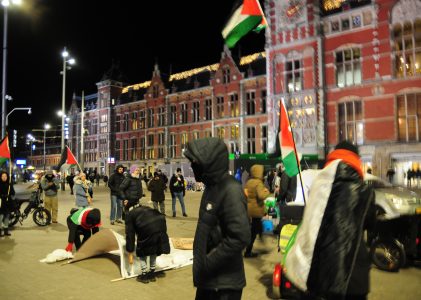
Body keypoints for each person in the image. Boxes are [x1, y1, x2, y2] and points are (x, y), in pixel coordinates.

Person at [285, 141, 376, 300]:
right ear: (355, 160)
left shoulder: (318, 184)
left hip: (319, 271)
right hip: (353, 275)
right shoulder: (364, 191)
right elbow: (370, 224)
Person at [183, 137, 251, 300]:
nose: (191, 166)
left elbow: (240, 236)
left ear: (209, 163)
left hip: (223, 286)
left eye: (195, 162)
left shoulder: (230, 189)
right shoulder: (212, 187)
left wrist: (208, 263)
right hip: (210, 281)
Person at [125, 204, 170, 284]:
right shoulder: (145, 208)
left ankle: (144, 275)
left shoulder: (129, 214)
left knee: (142, 251)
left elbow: (130, 234)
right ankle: (152, 273)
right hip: (160, 222)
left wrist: (130, 249)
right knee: (154, 249)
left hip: (148, 227)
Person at [244, 164, 270, 258]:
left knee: (255, 228)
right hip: (256, 210)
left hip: (249, 209)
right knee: (253, 232)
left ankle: (260, 235)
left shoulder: (249, 182)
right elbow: (261, 196)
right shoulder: (258, 183)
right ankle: (248, 251)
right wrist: (267, 191)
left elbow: (245, 192)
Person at [0, 171, 15, 237]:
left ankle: (6, 230)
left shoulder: (9, 184)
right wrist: (2, 195)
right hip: (1, 202)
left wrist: (10, 195)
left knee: (7, 217)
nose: (4, 177)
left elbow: (13, 192)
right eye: (3, 176)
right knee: (1, 217)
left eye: (5, 176)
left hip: (8, 203)